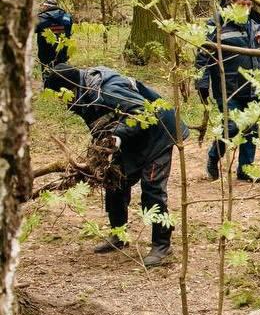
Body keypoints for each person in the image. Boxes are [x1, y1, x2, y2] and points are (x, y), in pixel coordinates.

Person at [46, 64, 188, 267]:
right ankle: (118, 234)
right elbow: (102, 123)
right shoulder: (86, 93)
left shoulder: (107, 90)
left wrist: (118, 135)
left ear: (67, 87)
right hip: (134, 137)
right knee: (114, 181)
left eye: (60, 95)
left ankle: (161, 246)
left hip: (160, 133)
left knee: (152, 187)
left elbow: (143, 114)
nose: (61, 101)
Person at [195, 0, 260, 182]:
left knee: (250, 128)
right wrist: (202, 83)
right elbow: (203, 56)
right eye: (242, 4)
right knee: (231, 126)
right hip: (227, 88)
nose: (247, 8)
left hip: (254, 87)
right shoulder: (217, 24)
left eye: (250, 4)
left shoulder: (258, 25)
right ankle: (213, 156)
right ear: (231, 1)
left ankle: (246, 169)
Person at [35, 0, 74, 72]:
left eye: (43, 6)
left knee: (48, 79)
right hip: (62, 54)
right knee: (62, 77)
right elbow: (68, 33)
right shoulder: (67, 16)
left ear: (46, 6)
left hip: (46, 56)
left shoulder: (41, 18)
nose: (42, 8)